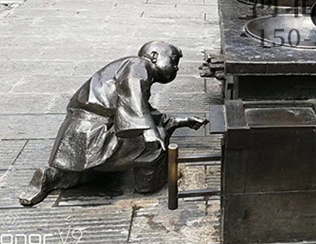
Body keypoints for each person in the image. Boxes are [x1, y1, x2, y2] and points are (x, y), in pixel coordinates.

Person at [19, 41, 206, 205]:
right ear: (154, 56)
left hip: (79, 135)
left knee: (92, 170)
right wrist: (149, 130)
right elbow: (134, 98)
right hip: (95, 133)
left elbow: (141, 108)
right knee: (156, 144)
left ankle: (52, 177)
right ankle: (150, 185)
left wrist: (180, 121)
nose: (176, 67)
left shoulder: (127, 68)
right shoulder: (138, 65)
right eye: (173, 60)